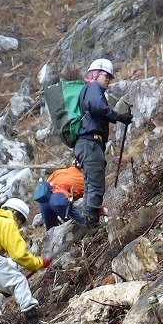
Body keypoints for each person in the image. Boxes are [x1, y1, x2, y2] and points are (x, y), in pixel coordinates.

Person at [75, 58, 132, 230]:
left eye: (110, 77)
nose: (108, 79)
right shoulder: (93, 88)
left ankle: (89, 223)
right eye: (106, 75)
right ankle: (91, 225)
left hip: (86, 144)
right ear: (95, 74)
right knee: (95, 184)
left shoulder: (88, 90)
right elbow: (97, 106)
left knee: (90, 184)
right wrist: (118, 117)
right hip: (90, 143)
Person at [38, 166, 85, 230]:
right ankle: (85, 227)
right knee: (79, 224)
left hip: (45, 199)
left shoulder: (59, 171)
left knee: (51, 230)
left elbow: (46, 185)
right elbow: (93, 198)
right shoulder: (84, 179)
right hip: (58, 199)